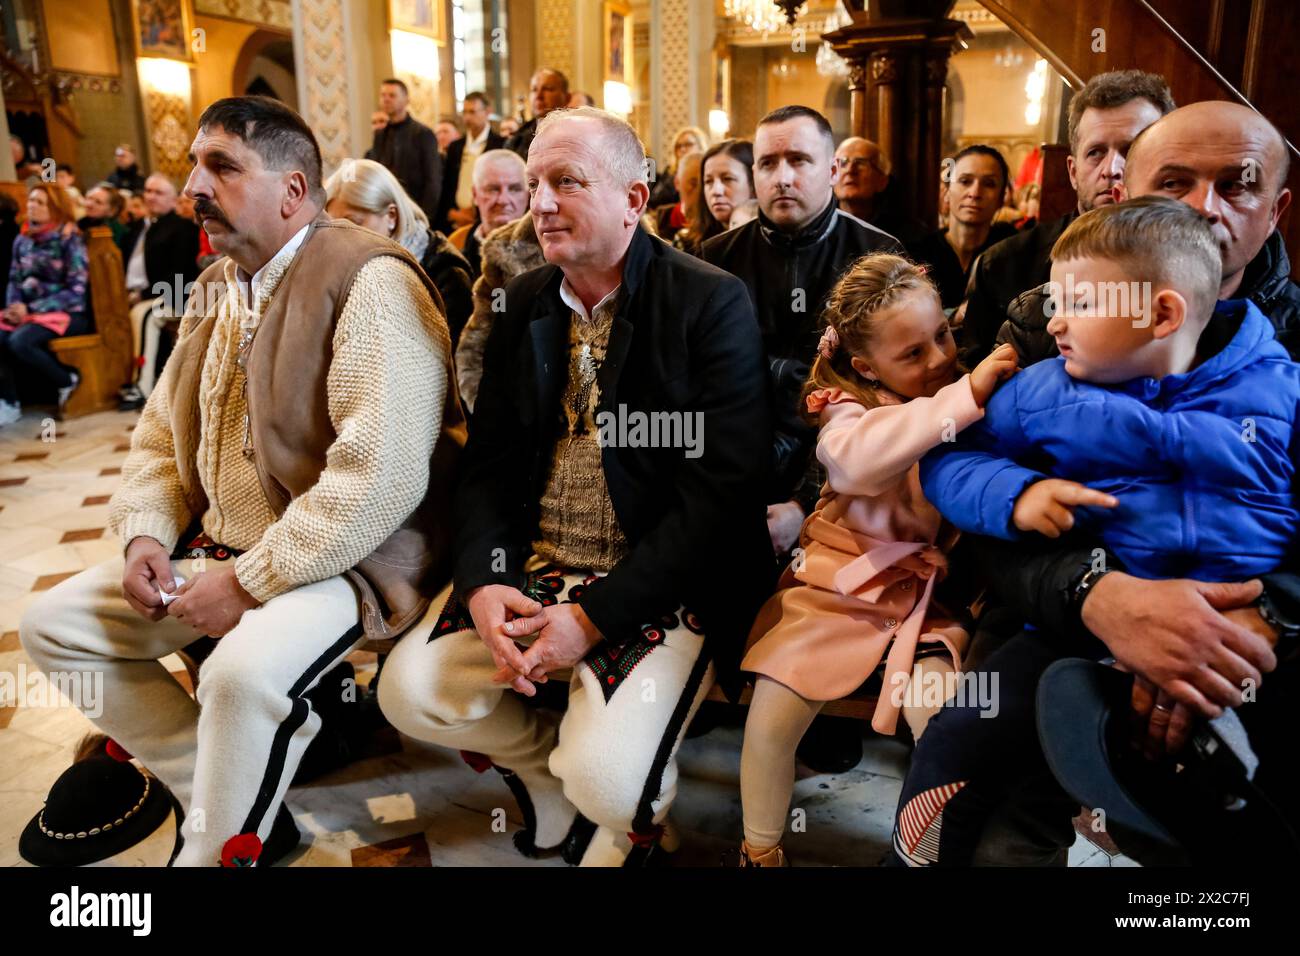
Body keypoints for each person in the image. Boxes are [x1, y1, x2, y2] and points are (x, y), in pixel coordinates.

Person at [20, 94, 466, 868]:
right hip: (223, 548)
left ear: (294, 190)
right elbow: (160, 435)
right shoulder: (216, 285)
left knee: (236, 671)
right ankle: (227, 800)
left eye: (221, 165)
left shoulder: (368, 279)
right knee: (54, 626)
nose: (195, 184)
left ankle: (215, 849)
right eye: (194, 163)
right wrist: (148, 534)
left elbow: (379, 475)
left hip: (349, 561)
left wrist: (251, 582)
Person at [377, 106, 773, 866]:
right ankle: (544, 769)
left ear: (634, 199)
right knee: (409, 692)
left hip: (659, 581)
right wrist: (486, 583)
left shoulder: (706, 301)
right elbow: (488, 466)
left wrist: (590, 621)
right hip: (536, 569)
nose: (542, 204)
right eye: (533, 185)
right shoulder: (524, 302)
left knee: (613, 785)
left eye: (566, 181)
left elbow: (722, 495)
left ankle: (619, 809)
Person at [898, 196, 1296, 865]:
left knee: (1225, 803)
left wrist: (1274, 612)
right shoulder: (1042, 390)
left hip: (1235, 637)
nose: (1054, 321)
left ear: (1162, 314)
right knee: (962, 735)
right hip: (1073, 627)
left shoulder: (1277, 391)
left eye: (1077, 304)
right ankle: (916, 855)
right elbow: (946, 455)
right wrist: (1016, 493)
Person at [736, 255, 1019, 866]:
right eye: (912, 354)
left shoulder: (969, 393)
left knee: (942, 721)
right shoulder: (847, 407)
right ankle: (759, 850)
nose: (939, 359)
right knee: (770, 721)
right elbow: (856, 462)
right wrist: (966, 395)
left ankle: (924, 852)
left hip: (923, 601)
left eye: (942, 334)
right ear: (866, 366)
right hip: (833, 595)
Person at [962, 70, 1174, 362]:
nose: (1112, 168)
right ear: (1073, 172)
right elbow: (974, 381)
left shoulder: (1192, 261)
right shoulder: (1003, 264)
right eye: (1096, 152)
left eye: (1131, 149)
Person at [325, 157, 475, 347]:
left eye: (354, 223)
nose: (342, 239)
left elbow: (451, 359)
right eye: (336, 227)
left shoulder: (446, 272)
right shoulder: (339, 268)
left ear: (391, 217)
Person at [0, 183, 89, 424]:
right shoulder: (22, 240)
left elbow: (76, 290)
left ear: (55, 208)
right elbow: (14, 280)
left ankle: (66, 380)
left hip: (65, 312)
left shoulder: (69, 239)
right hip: (27, 313)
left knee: (20, 341)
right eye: (30, 201)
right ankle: (8, 401)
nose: (32, 206)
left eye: (40, 202)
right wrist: (13, 308)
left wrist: (30, 310)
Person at [118, 173, 201, 407]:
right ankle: (130, 378)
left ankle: (141, 386)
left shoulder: (182, 228)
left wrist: (143, 295)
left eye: (159, 192)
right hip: (137, 295)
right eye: (148, 191)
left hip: (176, 294)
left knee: (145, 315)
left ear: (174, 199)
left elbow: (180, 273)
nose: (151, 196)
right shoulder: (138, 229)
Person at [906, 145, 1016, 310]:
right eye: (965, 181)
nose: (975, 193)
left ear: (1002, 198)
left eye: (989, 184)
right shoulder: (917, 253)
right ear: (947, 193)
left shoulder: (1012, 253)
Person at [366, 78, 443, 224]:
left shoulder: (423, 133)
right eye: (383, 95)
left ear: (406, 100)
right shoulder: (380, 135)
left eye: (392, 95)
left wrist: (423, 218)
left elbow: (433, 181)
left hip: (415, 213)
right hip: (386, 213)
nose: (386, 99)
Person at [446, 148, 530, 273]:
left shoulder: (547, 247)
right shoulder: (456, 244)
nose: (503, 200)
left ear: (528, 195)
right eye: (493, 189)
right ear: (475, 195)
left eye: (514, 189)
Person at [834, 137, 926, 246]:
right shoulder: (818, 224)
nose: (850, 170)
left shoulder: (910, 235)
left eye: (860, 163)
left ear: (882, 181)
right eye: (842, 163)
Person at [436, 91, 505, 233]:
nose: (467, 117)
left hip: (485, 217)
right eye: (465, 112)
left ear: (487, 112)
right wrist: (451, 212)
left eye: (472, 112)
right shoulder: (456, 146)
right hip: (455, 218)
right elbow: (448, 184)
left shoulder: (500, 144)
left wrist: (476, 212)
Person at [504, 69, 570, 159]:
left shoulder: (576, 136)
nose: (539, 96)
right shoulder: (516, 140)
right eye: (534, 90)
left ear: (566, 97)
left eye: (547, 89)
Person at [649, 126, 709, 209]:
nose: (682, 149)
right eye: (678, 146)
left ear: (700, 146)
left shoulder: (707, 169)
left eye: (688, 144)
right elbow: (655, 199)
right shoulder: (670, 170)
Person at [654, 149, 701, 244]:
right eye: (694, 184)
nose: (701, 191)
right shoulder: (663, 217)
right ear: (677, 182)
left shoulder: (717, 223)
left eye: (707, 183)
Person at [78, 180, 130, 249]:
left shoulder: (113, 232)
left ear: (112, 210)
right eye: (89, 198)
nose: (89, 204)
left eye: (98, 202)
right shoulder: (81, 223)